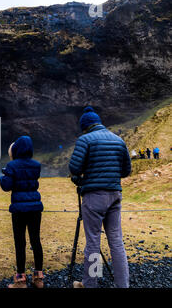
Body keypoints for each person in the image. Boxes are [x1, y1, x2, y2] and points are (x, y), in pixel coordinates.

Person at [69, 107, 131, 288]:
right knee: (116, 241)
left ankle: (90, 284)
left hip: (94, 197)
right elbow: (126, 171)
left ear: (85, 127)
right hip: (115, 195)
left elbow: (75, 168)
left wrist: (83, 178)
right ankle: (123, 284)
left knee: (93, 241)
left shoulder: (85, 140)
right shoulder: (119, 140)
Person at [0, 136, 44, 289]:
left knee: (20, 243)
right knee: (35, 241)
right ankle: (39, 278)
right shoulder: (36, 165)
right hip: (35, 208)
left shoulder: (12, 165)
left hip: (19, 209)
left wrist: (3, 175)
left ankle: (20, 280)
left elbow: (6, 186)